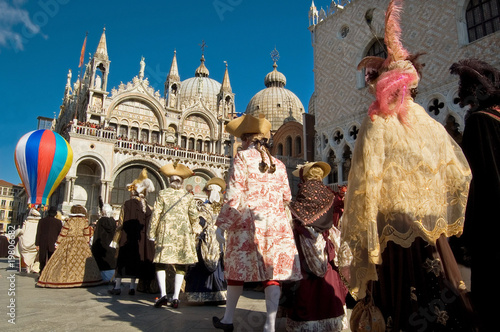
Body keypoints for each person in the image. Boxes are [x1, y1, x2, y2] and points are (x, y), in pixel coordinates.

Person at [340, 0, 475, 331]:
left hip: (394, 232)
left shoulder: (378, 121)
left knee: (402, 306)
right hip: (432, 231)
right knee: (442, 302)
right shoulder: (430, 123)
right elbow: (460, 173)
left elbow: (364, 183)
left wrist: (363, 238)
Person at [212, 114, 301, 332]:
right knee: (272, 274)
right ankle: (270, 326)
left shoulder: (242, 158)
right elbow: (288, 197)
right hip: (276, 227)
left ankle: (228, 319)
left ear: (246, 139)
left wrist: (222, 224)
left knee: (236, 272)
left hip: (246, 225)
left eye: (242, 139)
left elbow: (234, 194)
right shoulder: (279, 165)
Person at [450, 58, 500, 332]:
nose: (467, 107)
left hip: (491, 234)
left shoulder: (481, 123)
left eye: (468, 102)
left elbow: (476, 182)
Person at [281, 162, 348, 331]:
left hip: (305, 239)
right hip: (325, 240)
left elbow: (301, 213)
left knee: (305, 280)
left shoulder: (305, 189)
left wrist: (287, 206)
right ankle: (331, 317)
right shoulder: (327, 192)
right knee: (329, 276)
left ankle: (307, 321)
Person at [147, 162, 201, 309]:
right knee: (181, 264)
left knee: (160, 263)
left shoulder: (162, 193)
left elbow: (155, 214)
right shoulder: (188, 196)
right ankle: (176, 297)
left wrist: (151, 233)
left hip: (166, 232)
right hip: (183, 233)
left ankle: (164, 295)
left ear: (170, 181)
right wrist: (196, 229)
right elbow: (194, 216)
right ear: (182, 182)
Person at [109, 168, 156, 295]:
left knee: (122, 262)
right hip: (141, 241)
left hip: (126, 239)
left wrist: (115, 239)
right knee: (135, 262)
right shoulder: (148, 207)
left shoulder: (127, 204)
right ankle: (131, 288)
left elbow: (121, 222)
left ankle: (117, 287)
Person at [184, 177, 227, 304]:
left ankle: (202, 294)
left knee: (202, 265)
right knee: (218, 264)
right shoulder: (223, 208)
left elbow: (200, 222)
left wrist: (193, 232)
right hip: (220, 240)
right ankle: (219, 295)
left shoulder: (204, 208)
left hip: (207, 240)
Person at [36, 205, 102, 288]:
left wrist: (58, 243)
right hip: (81, 243)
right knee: (81, 262)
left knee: (64, 261)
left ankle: (65, 279)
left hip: (68, 242)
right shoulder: (84, 221)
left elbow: (63, 233)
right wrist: (86, 243)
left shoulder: (69, 221)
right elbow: (86, 234)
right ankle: (81, 279)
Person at [91, 203, 117, 282]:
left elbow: (97, 234)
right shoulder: (113, 221)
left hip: (101, 246)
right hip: (111, 247)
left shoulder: (101, 221)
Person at [35, 206, 62, 275]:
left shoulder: (42, 221)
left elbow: (38, 233)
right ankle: (49, 274)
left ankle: (41, 273)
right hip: (53, 243)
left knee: (42, 259)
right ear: (55, 214)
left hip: (42, 242)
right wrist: (59, 243)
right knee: (51, 259)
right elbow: (60, 234)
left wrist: (37, 244)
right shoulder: (58, 222)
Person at [17, 208, 41, 274]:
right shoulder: (39, 223)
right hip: (35, 244)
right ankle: (34, 267)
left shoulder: (26, 223)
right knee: (36, 256)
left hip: (25, 244)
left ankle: (28, 267)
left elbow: (22, 231)